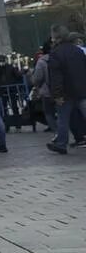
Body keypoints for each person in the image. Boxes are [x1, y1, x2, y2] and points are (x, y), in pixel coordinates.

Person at [47, 27, 86, 156]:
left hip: (65, 92)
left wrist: (57, 94)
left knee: (63, 120)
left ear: (57, 38)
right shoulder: (78, 51)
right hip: (82, 89)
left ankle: (61, 144)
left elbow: (56, 76)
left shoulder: (56, 53)